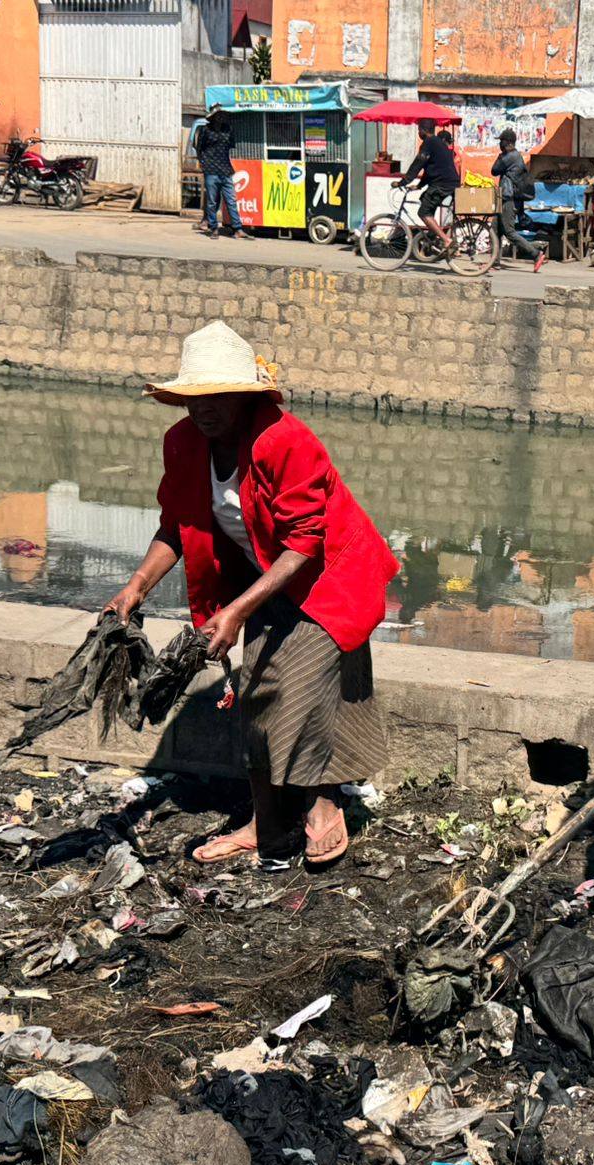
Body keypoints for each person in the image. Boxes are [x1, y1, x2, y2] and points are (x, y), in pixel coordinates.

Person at [106, 321, 398, 871]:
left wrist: (238, 611)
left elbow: (306, 542)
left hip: (329, 575)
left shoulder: (285, 440)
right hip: (265, 576)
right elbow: (178, 525)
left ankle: (322, 806)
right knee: (258, 694)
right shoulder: (184, 444)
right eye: (195, 399)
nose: (205, 410)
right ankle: (266, 825)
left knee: (295, 687)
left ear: (245, 395)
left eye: (218, 397)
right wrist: (136, 586)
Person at [399, 116, 460, 249]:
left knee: (423, 212)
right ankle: (434, 235)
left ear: (423, 130)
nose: (418, 133)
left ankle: (446, 240)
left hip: (442, 184)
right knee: (424, 199)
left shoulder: (429, 143)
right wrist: (419, 186)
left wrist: (403, 181)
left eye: (419, 130)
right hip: (447, 182)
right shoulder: (437, 142)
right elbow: (430, 168)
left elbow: (418, 163)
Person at [491, 130, 546, 272]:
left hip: (508, 199)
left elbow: (494, 170)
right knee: (495, 230)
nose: (499, 144)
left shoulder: (511, 156)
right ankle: (494, 262)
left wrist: (500, 156)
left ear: (508, 142)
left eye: (501, 141)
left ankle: (536, 254)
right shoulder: (513, 156)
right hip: (505, 197)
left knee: (509, 231)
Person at [194, 106, 248, 238]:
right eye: (218, 115)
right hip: (211, 170)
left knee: (231, 200)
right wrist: (204, 164)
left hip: (226, 170)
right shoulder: (205, 130)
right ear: (212, 117)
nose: (221, 118)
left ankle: (237, 229)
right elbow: (199, 148)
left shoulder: (227, 130)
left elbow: (230, 146)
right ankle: (213, 228)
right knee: (212, 201)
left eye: (222, 115)